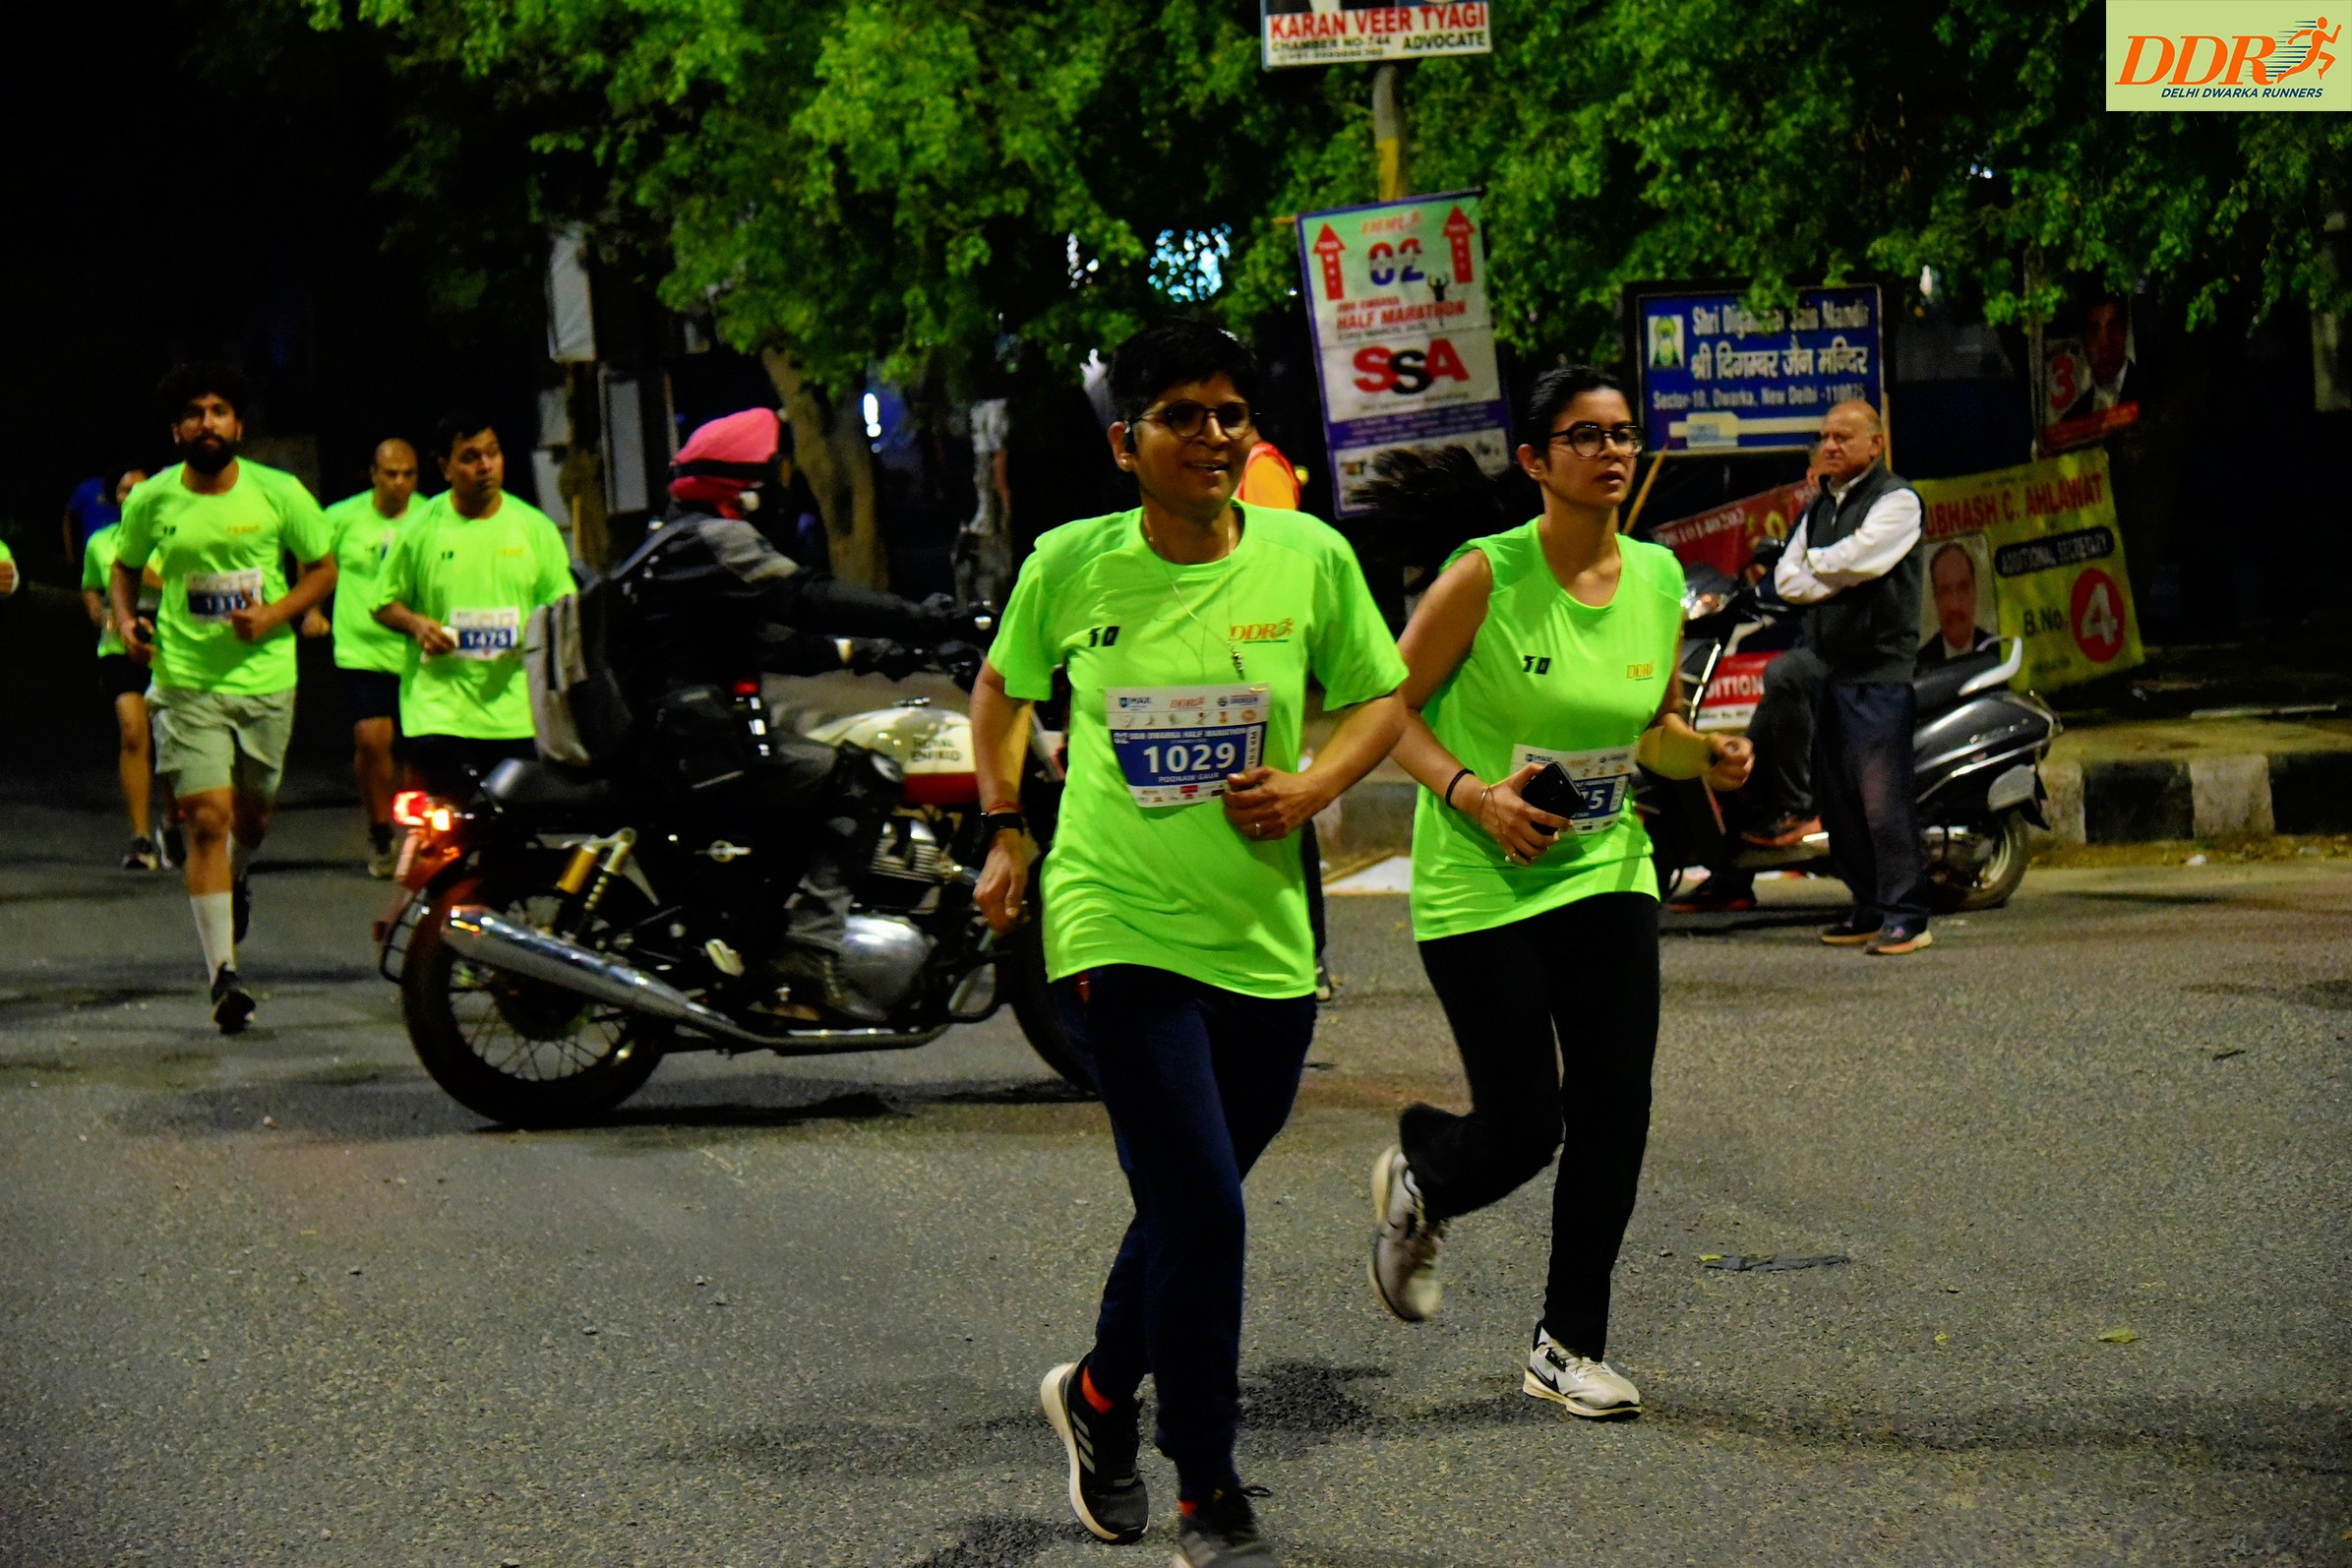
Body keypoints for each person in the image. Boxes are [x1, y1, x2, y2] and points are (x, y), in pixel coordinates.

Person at [972, 321, 1406, 1567]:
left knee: (1186, 1206)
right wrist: (1006, 828)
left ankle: (1098, 1394)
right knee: (1206, 1214)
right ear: (1128, 443)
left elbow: (1381, 698)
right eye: (1181, 416)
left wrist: (1314, 786)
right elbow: (1002, 690)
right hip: (1117, 918)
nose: (1211, 436)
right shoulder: (1071, 563)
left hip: (1264, 936)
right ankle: (1207, 1490)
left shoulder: (1309, 558)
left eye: (1230, 415)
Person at [1364, 366, 1750, 1422]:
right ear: (1536, 460)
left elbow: (1652, 730)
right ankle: (1427, 1177)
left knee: (1617, 1108)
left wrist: (1705, 756)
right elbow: (1384, 712)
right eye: (1585, 436)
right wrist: (1475, 795)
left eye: (1622, 434)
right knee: (1525, 1127)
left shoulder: (1658, 579)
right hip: (1480, 880)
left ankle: (1566, 1344)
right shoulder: (1483, 576)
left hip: (1602, 865)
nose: (1611, 452)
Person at [604, 406, 983, 1018]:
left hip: (674, 737)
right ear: (744, 487)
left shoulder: (670, 542)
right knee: (867, 774)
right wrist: (926, 617)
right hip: (698, 743)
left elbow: (767, 643)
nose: (785, 483)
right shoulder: (719, 539)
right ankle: (811, 945)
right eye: (775, 472)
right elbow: (804, 597)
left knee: (810, 783)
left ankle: (772, 931)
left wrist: (871, 653)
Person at [110, 363, 337, 1032]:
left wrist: (275, 615)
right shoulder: (153, 498)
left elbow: (323, 569)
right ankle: (223, 976)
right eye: (193, 413)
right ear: (176, 430)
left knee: (252, 818)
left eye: (218, 411)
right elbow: (124, 566)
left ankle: (235, 880)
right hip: (187, 680)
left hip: (266, 680)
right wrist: (125, 621)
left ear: (238, 425)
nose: (206, 422)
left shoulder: (279, 492)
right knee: (208, 818)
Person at [1773, 398, 1930, 955]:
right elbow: (1786, 581)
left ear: (1875, 445)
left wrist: (1821, 565)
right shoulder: (1820, 506)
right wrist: (1835, 569)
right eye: (1825, 437)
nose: (1830, 446)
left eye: (1843, 437)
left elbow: (1865, 560)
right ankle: (1867, 906)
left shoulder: (1897, 500)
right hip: (1830, 670)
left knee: (1883, 804)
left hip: (1879, 672)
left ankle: (1907, 915)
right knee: (1839, 804)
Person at [372, 414, 571, 799]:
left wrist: (538, 632)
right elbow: (382, 603)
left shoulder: (535, 528)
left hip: (515, 714)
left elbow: (561, 606)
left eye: (492, 454)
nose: (485, 466)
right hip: (441, 713)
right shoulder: (419, 529)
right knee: (448, 822)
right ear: (445, 468)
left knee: (514, 826)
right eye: (470, 457)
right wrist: (417, 624)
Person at [306, 439, 420, 874]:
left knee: (421, 748)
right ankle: (380, 830)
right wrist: (313, 609)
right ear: (373, 474)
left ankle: (421, 833)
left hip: (413, 647)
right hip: (361, 646)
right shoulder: (341, 517)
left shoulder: (430, 515)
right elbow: (312, 560)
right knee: (372, 740)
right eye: (391, 474)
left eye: (408, 474)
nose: (399, 483)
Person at [82, 470, 168, 868]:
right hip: (118, 648)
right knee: (133, 732)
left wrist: (135, 568)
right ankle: (140, 837)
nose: (131, 495)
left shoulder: (171, 537)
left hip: (169, 650)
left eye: (139, 489)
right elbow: (90, 585)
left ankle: (172, 823)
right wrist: (99, 611)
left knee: (171, 741)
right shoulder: (101, 541)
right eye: (124, 490)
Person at [1915, 542, 1998, 667]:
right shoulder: (1919, 666)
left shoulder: (1999, 653)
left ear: (1975, 592)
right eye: (1945, 591)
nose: (1955, 605)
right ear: (1936, 599)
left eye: (1963, 588)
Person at [2059, 296, 2136, 425]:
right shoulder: (2073, 420)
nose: (2105, 344)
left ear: (2125, 331)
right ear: (2084, 341)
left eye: (2113, 328)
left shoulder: (2154, 394)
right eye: (2094, 332)